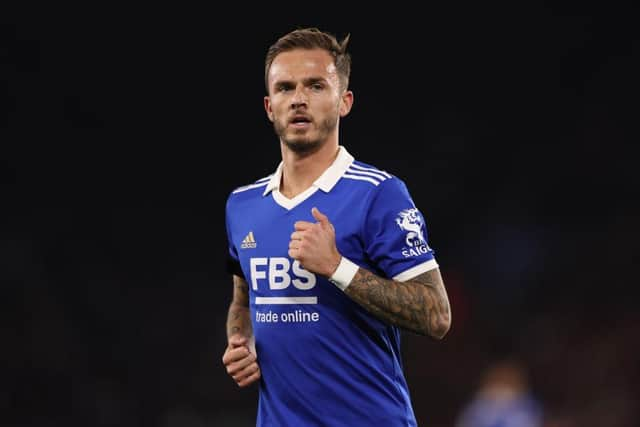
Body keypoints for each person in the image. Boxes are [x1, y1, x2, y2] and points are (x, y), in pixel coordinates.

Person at [222, 27, 452, 427]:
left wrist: (336, 267)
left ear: (344, 101)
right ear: (268, 106)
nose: (298, 99)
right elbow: (243, 299)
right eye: (285, 88)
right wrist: (242, 341)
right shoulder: (242, 205)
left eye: (315, 86)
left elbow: (437, 315)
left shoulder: (379, 194)